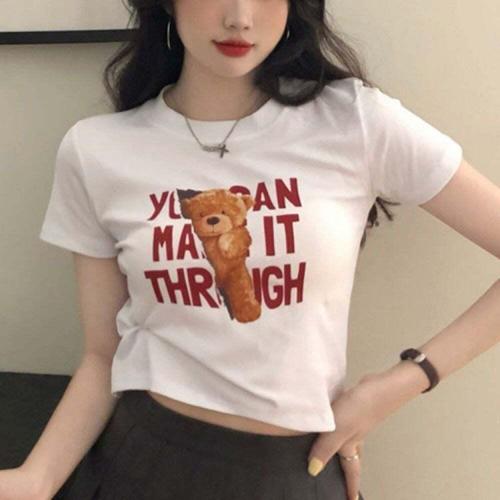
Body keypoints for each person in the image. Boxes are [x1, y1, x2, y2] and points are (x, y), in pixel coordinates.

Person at [5, 0, 499, 499]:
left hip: (293, 470)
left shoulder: (354, 120)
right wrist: (38, 479)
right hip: (140, 461)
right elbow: (102, 355)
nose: (240, 16)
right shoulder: (98, 149)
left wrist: (397, 385)